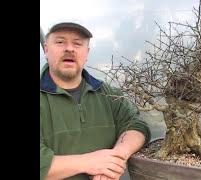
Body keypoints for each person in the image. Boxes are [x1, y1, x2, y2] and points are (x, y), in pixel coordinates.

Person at [40, 22, 151, 180]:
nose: (70, 48)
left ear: (87, 53)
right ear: (46, 49)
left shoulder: (108, 94)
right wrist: (89, 162)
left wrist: (115, 159)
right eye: (60, 42)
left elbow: (136, 124)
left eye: (78, 43)